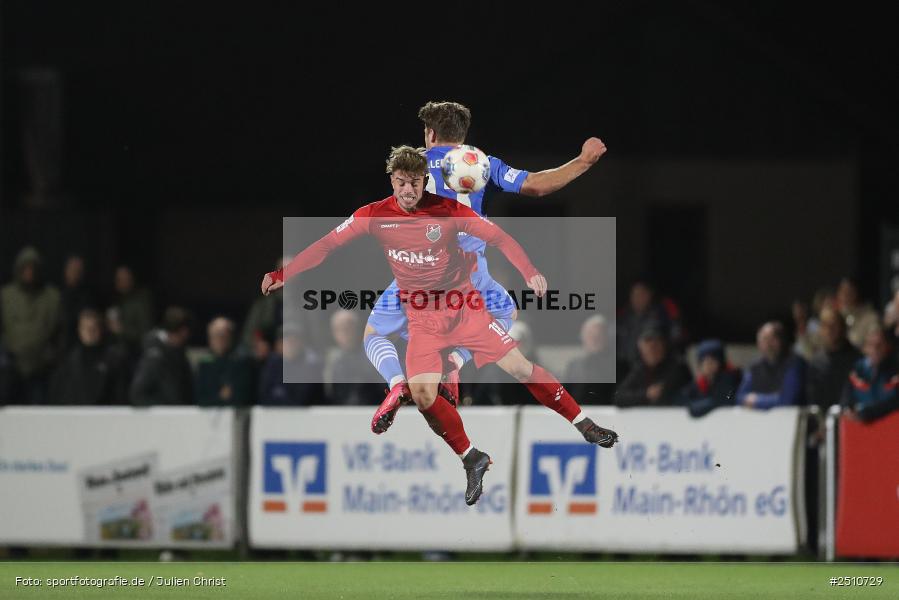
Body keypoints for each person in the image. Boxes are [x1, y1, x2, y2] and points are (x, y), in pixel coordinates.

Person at [260, 146, 617, 505]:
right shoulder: (373, 215)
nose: (408, 190)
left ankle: (584, 424)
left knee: (520, 367)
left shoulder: (449, 211)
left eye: (414, 182)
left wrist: (530, 272)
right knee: (424, 396)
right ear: (392, 181)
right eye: (401, 182)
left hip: (465, 310)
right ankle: (471, 457)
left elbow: (500, 238)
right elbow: (326, 246)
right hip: (423, 322)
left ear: (424, 181)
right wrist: (283, 274)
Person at [362, 101, 607, 409]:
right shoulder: (483, 165)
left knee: (375, 334)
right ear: (463, 135)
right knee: (507, 314)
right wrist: (583, 161)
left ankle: (398, 384)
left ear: (430, 133)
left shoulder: (414, 165)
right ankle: (455, 359)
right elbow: (536, 186)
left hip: (419, 272)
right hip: (469, 274)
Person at [0, 246, 62, 404]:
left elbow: (60, 332)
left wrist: (51, 355)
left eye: (33, 268)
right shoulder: (6, 296)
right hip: (11, 369)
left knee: (38, 415)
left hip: (41, 368)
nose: (29, 272)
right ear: (18, 269)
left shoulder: (52, 297)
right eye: (25, 268)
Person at [49, 308, 130, 405]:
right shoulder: (69, 359)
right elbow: (58, 393)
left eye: (93, 328)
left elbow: (119, 394)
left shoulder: (113, 359)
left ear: (101, 329)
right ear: (79, 330)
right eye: (85, 328)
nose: (90, 332)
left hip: (103, 414)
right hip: (74, 414)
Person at [614, 324, 692, 407]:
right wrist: (646, 394)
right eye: (648, 349)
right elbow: (619, 397)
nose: (652, 351)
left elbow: (668, 396)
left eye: (655, 347)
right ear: (642, 351)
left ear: (663, 347)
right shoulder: (639, 370)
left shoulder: (676, 369)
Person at [129, 306, 194, 406]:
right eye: (185, 333)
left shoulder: (178, 350)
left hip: (177, 413)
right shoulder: (153, 355)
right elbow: (137, 394)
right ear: (183, 332)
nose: (187, 337)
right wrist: (164, 409)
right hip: (162, 417)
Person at [735, 321, 806, 409]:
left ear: (782, 341)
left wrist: (757, 400)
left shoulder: (795, 364)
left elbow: (787, 401)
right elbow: (739, 398)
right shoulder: (755, 367)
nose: (768, 344)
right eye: (764, 339)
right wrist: (772, 399)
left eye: (773, 339)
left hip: (787, 418)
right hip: (758, 419)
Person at [807, 307, 861, 412]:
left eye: (833, 325)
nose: (829, 330)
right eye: (825, 325)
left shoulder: (858, 358)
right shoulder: (816, 362)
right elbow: (813, 400)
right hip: (824, 421)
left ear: (843, 327)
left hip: (852, 419)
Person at [323, 310, 382, 406]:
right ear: (333, 333)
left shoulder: (374, 355)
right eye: (339, 329)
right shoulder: (329, 361)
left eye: (348, 328)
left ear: (358, 329)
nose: (344, 333)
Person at [843, 327, 899, 423]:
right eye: (871, 345)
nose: (875, 349)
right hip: (860, 431)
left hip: (890, 429)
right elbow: (846, 399)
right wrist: (848, 408)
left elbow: (895, 401)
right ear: (864, 348)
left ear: (887, 346)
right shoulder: (858, 370)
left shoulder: (895, 370)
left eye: (879, 345)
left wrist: (869, 413)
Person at [195, 317, 254, 407]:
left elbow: (241, 398)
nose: (219, 340)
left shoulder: (242, 362)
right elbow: (200, 398)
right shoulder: (204, 364)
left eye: (223, 336)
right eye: (215, 336)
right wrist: (220, 398)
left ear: (230, 337)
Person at [676, 339, 742, 417]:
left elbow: (728, 398)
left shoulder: (732, 378)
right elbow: (680, 398)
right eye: (704, 361)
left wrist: (707, 404)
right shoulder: (699, 383)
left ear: (720, 362)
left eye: (712, 361)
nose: (708, 365)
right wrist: (693, 405)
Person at [563, 315, 618, 405]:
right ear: (583, 337)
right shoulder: (574, 365)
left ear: (606, 338)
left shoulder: (615, 366)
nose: (594, 339)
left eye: (598, 335)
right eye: (590, 335)